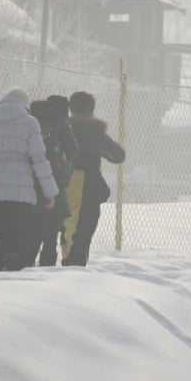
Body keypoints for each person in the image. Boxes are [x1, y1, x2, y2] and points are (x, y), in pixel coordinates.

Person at [0, 89, 58, 272]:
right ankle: (16, 268)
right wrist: (50, 192)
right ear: (24, 104)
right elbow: (39, 159)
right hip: (21, 190)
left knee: (0, 232)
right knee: (20, 232)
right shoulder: (30, 123)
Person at [61, 91, 125, 266]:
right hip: (87, 185)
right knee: (83, 229)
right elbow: (118, 156)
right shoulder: (94, 132)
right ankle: (75, 265)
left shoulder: (62, 128)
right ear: (92, 109)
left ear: (70, 108)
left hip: (62, 184)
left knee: (66, 227)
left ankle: (64, 261)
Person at [25, 95, 79, 266]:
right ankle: (47, 267)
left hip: (27, 180)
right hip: (54, 180)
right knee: (50, 235)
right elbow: (73, 150)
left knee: (31, 231)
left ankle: (25, 264)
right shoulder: (60, 122)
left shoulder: (27, 118)